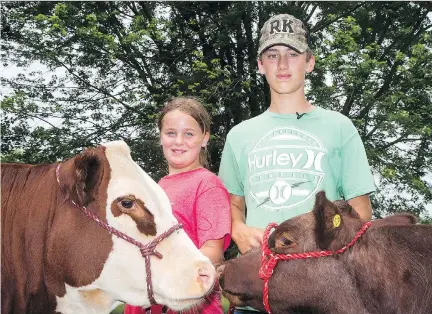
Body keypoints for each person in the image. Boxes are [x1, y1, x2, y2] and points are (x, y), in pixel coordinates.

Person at [219, 12, 376, 269]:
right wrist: (238, 229)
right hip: (256, 286)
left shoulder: (339, 127)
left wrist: (323, 242)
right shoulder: (239, 135)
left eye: (293, 54)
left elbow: (362, 213)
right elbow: (232, 205)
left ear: (310, 62)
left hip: (321, 286)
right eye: (272, 55)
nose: (282, 64)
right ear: (260, 65)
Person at [124, 97, 231, 314]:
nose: (178, 141)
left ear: (204, 138)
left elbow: (212, 252)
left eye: (189, 134)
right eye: (170, 133)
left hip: (190, 305)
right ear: (161, 137)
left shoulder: (207, 184)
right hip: (144, 303)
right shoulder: (155, 188)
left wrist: (163, 273)